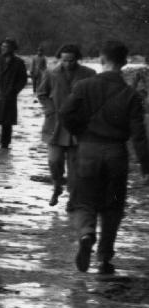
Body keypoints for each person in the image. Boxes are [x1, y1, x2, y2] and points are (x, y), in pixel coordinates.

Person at [60, 39, 149, 275]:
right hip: (116, 153)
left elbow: (65, 113)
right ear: (124, 63)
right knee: (113, 206)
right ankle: (104, 257)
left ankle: (87, 232)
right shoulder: (130, 95)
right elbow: (139, 135)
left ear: (101, 60)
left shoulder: (83, 85)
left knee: (82, 200)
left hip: (87, 149)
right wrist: (146, 167)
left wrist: (80, 132)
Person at [35, 43, 96, 207]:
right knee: (54, 161)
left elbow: (93, 97)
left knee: (75, 166)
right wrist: (50, 110)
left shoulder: (89, 74)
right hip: (56, 124)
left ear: (77, 59)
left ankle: (73, 198)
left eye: (71, 60)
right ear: (59, 59)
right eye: (64, 60)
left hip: (77, 125)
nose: (67, 63)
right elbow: (41, 93)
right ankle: (57, 185)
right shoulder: (51, 73)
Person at [0, 37, 28, 148]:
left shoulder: (19, 62)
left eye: (7, 47)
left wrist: (14, 91)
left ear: (13, 48)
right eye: (2, 46)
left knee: (7, 122)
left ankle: (5, 144)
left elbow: (23, 79)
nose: (4, 49)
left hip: (9, 96)